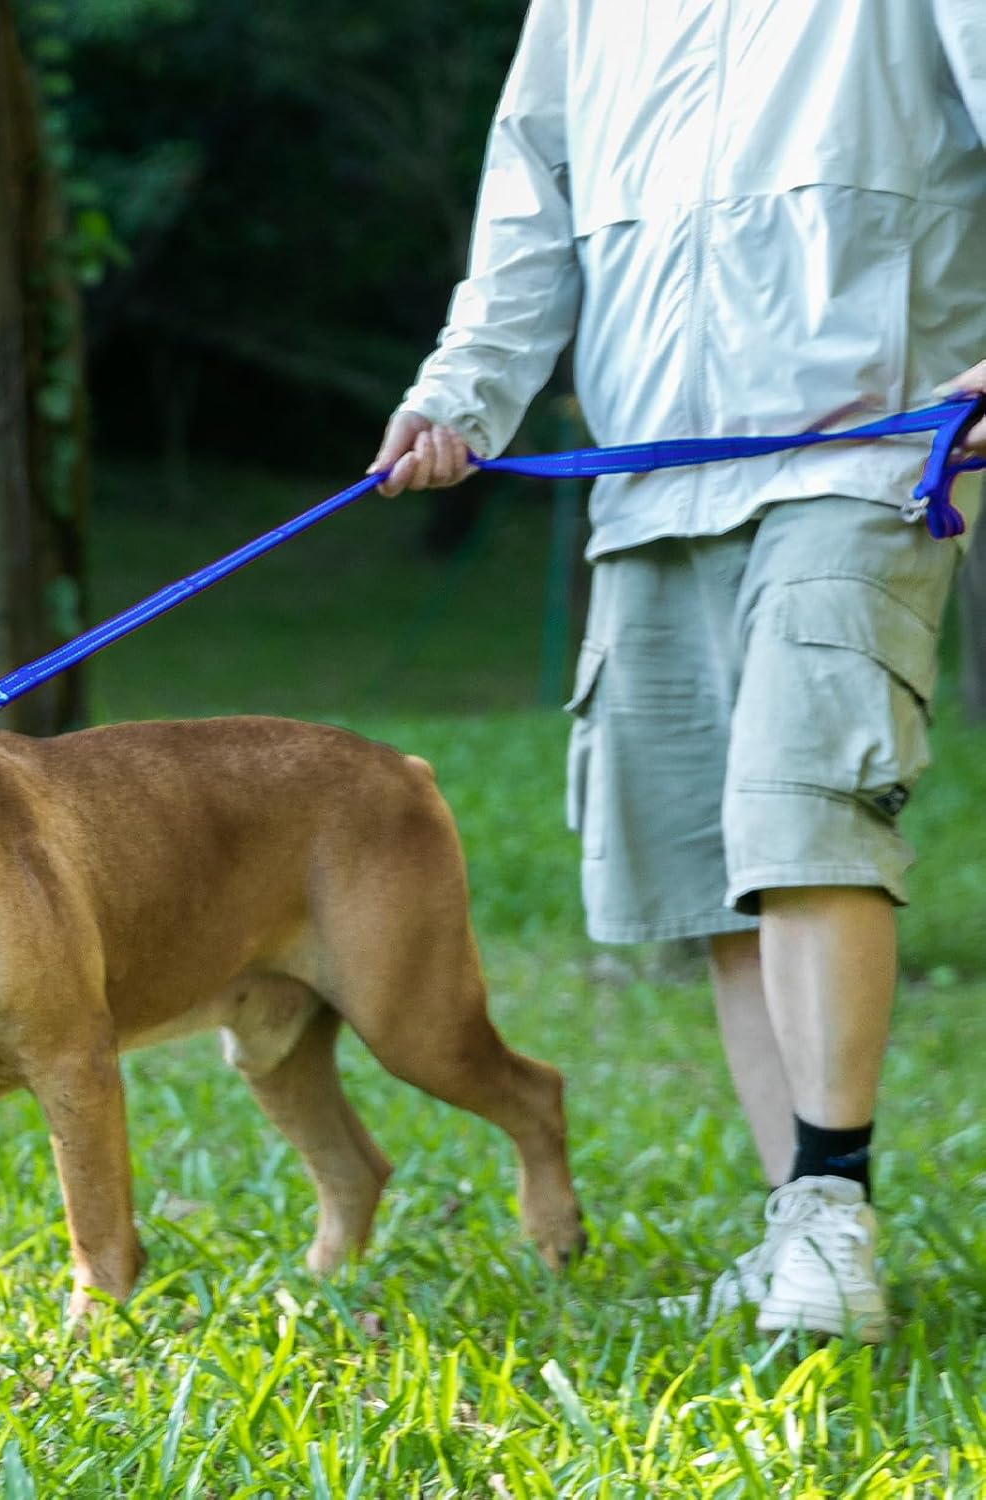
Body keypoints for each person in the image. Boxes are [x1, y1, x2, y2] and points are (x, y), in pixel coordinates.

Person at [371, 1, 986, 1341]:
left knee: (804, 810)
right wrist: (462, 395)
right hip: (650, 476)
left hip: (863, 451)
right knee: (714, 861)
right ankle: (805, 1233)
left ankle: (834, 1216)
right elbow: (532, 205)